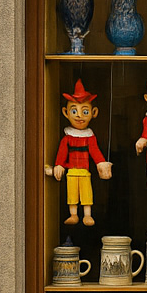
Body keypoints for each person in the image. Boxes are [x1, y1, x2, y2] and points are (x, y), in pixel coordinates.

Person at [44, 78, 112, 226]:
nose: (79, 116)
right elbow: (62, 152)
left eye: (85, 111)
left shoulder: (89, 137)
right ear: (66, 113)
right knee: (72, 193)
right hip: (72, 172)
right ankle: (73, 214)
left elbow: (95, 152)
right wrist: (59, 165)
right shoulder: (67, 138)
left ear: (94, 113)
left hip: (84, 171)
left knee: (86, 192)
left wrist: (101, 163)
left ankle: (87, 214)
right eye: (74, 111)